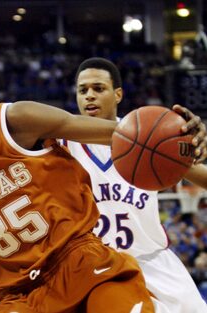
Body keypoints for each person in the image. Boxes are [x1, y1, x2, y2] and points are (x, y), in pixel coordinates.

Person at [0, 54, 207, 312]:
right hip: (17, 295)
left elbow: (132, 136)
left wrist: (183, 135)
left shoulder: (17, 123)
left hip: (85, 262)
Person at [63, 57, 207, 312]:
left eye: (98, 88)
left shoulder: (149, 137)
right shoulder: (62, 143)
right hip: (93, 270)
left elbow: (200, 175)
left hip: (152, 261)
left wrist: (190, 147)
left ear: (118, 94)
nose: (89, 96)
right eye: (82, 90)